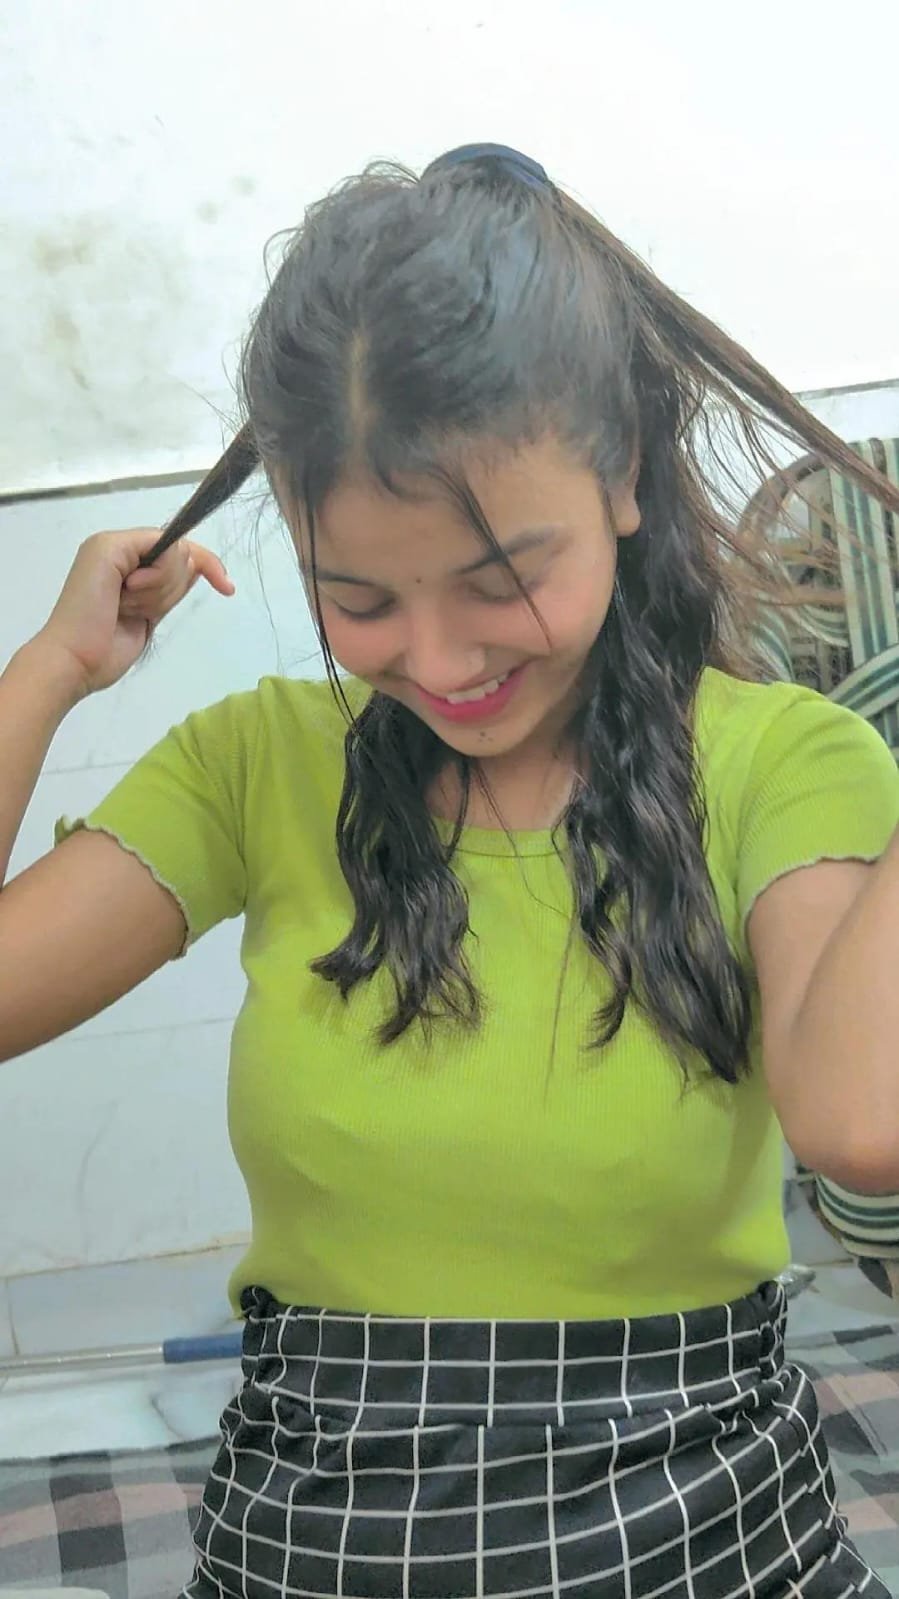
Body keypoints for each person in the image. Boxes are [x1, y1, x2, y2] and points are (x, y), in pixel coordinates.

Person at [1, 144, 898, 1599]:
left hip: (702, 1529)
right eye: (358, 598)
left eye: (501, 580)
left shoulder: (782, 760)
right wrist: (50, 671)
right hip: (320, 1537)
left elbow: (864, 1122)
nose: (440, 660)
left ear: (620, 475)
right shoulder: (255, 765)